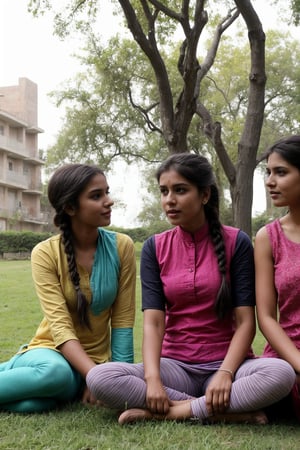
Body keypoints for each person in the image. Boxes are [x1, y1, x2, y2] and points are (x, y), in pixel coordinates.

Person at [86, 152, 295, 425]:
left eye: (180, 190)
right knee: (100, 377)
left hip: (230, 365)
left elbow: (246, 323)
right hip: (175, 367)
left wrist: (225, 373)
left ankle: (175, 412)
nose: (169, 200)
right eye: (164, 191)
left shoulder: (238, 242)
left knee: (280, 373)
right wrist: (153, 380)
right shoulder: (154, 247)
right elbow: (154, 323)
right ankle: (221, 412)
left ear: (204, 195)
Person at [0, 163, 136, 413]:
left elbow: (123, 321)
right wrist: (97, 377)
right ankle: (13, 367)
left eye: (107, 192)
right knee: (56, 373)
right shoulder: (45, 253)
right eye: (97, 196)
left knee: (35, 404)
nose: (109, 201)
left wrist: (117, 379)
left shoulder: (122, 246)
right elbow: (60, 328)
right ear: (70, 207)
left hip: (89, 366)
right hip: (49, 353)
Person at [255, 135, 300, 421]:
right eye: (268, 172)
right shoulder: (267, 238)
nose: (270, 181)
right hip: (286, 358)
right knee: (276, 380)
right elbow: (266, 318)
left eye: (280, 172)